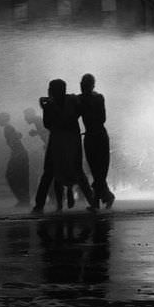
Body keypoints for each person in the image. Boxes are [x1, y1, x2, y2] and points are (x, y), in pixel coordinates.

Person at [41, 79, 97, 212]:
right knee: (58, 171)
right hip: (63, 139)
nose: (51, 91)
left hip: (67, 139)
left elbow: (48, 124)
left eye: (52, 89)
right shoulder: (58, 103)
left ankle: (84, 202)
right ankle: (62, 204)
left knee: (69, 170)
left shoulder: (68, 101)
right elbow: (47, 124)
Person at [79, 73, 115, 209]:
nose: (83, 87)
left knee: (100, 171)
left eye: (85, 85)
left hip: (98, 136)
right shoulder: (82, 99)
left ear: (92, 86)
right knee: (96, 171)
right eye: (82, 84)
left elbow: (102, 118)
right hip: (92, 136)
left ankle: (96, 202)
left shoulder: (96, 98)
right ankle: (107, 196)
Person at [0, 112, 30, 207]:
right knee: (21, 177)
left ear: (4, 119)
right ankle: (24, 199)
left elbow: (14, 141)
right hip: (20, 154)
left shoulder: (7, 128)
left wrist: (15, 154)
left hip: (18, 155)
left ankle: (23, 199)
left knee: (12, 176)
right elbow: (17, 137)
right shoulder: (9, 127)